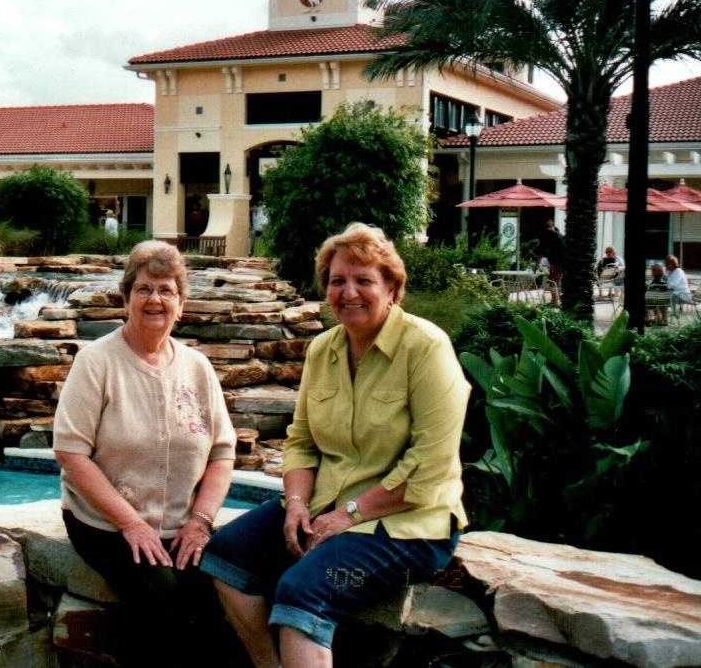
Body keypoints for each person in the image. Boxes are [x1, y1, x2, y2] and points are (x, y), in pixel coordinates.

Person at [201, 223, 468, 668]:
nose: (349, 292)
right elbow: (302, 441)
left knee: (304, 591)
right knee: (226, 554)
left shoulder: (426, 347)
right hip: (329, 507)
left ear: (391, 289)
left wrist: (349, 515)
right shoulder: (322, 349)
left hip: (411, 530)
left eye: (364, 280)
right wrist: (296, 504)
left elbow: (430, 466)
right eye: (337, 280)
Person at [53, 240, 240, 666]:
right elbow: (71, 454)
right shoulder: (96, 362)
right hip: (106, 523)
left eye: (166, 290)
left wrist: (200, 521)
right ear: (126, 299)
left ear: (181, 304)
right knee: (166, 604)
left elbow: (221, 453)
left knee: (220, 602)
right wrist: (131, 524)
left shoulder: (197, 366)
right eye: (144, 289)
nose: (155, 299)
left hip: (182, 524)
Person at [539, 218, 564, 304]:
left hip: (557, 263)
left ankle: (555, 299)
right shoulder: (559, 236)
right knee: (555, 281)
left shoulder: (550, 235)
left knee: (553, 281)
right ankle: (555, 298)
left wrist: (536, 266)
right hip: (559, 263)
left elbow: (540, 252)